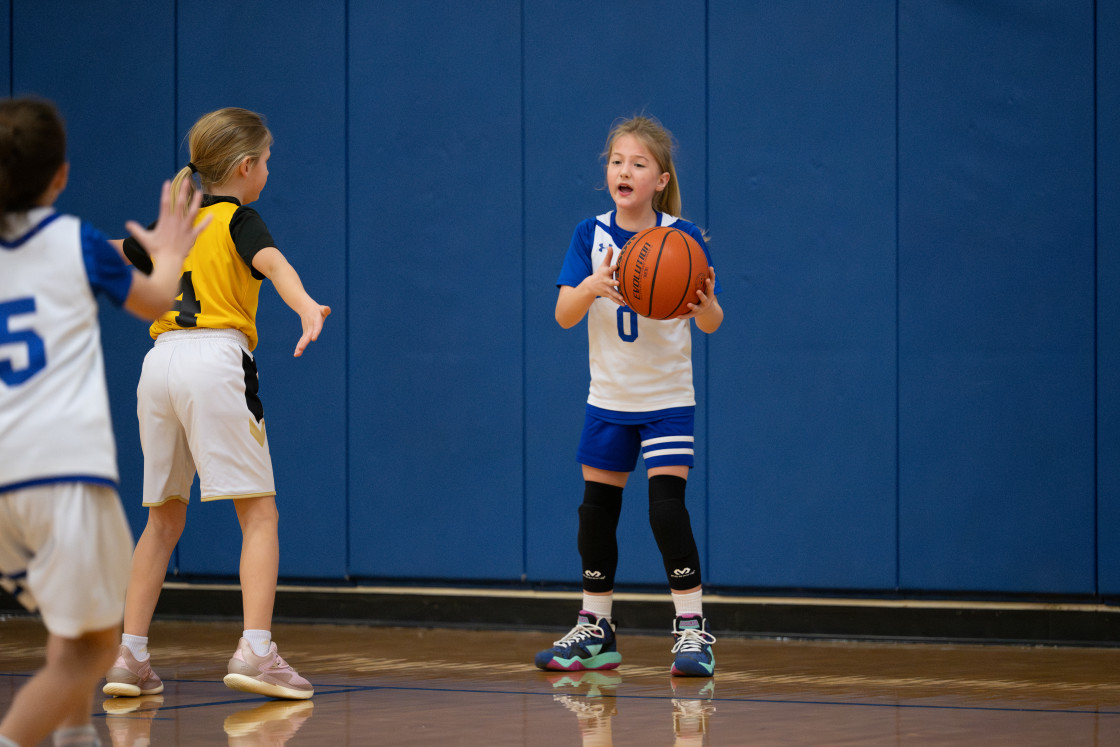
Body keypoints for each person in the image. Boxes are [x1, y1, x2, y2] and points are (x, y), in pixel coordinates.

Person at [102, 107, 330, 702]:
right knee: (259, 515)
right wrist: (306, 305)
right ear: (246, 166)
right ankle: (256, 650)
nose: (269, 171)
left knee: (161, 520)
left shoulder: (176, 224)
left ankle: (130, 656)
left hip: (159, 365)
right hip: (215, 360)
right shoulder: (238, 219)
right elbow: (274, 264)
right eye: (268, 161)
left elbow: (113, 251)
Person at [0, 96, 208, 747]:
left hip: (3, 475)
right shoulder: (75, 241)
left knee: (70, 624)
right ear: (60, 176)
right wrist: (169, 251)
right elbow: (157, 297)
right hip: (60, 469)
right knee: (90, 650)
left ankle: (76, 736)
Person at [535, 115, 724, 677]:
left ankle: (691, 630)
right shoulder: (588, 235)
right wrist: (591, 285)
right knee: (595, 514)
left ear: (660, 180)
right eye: (617, 161)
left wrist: (707, 306)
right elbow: (563, 315)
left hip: (667, 399)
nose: (625, 170)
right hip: (609, 400)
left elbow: (712, 322)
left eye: (639, 164)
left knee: (666, 510)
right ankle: (596, 629)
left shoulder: (682, 238)